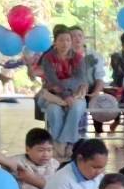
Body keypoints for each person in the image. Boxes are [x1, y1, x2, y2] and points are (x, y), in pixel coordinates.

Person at [38, 28, 93, 156]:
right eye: (61, 40)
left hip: (76, 94)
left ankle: (62, 143)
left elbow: (80, 79)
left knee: (76, 108)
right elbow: (52, 81)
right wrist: (66, 93)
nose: (65, 43)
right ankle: (66, 145)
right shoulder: (48, 58)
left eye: (68, 40)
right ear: (55, 42)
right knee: (53, 110)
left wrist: (64, 87)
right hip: (53, 96)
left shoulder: (78, 58)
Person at [37, 138, 109, 189]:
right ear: (80, 159)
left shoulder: (99, 177)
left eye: (102, 168)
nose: (99, 172)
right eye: (95, 167)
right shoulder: (61, 182)